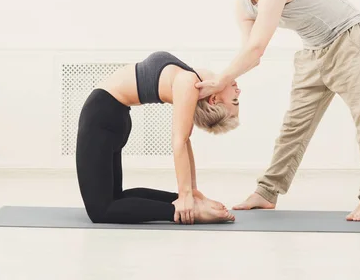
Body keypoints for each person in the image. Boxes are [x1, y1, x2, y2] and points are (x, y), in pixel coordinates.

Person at [196, 0, 360, 222]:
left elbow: (256, 47)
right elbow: (251, 55)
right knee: (293, 126)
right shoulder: (244, 6)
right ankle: (266, 192)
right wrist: (222, 84)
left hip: (349, 42)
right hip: (312, 51)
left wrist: (220, 81)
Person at [75, 51, 240, 224]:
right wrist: (191, 192)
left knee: (100, 211)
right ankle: (189, 206)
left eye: (235, 100)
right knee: (115, 199)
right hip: (112, 116)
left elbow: (181, 142)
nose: (238, 90)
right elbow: (185, 141)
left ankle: (182, 211)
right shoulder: (192, 82)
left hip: (102, 115)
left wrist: (187, 195)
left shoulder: (188, 82)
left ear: (214, 99)